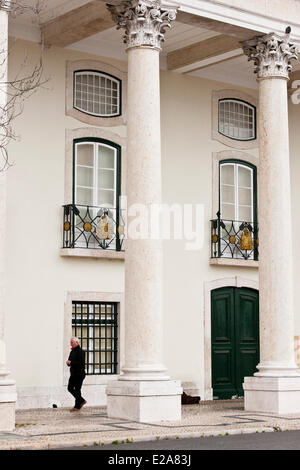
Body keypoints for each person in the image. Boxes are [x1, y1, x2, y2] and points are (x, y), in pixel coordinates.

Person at [66, 337, 87, 412]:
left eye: (72, 342)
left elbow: (81, 363)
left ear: (77, 343)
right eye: (70, 342)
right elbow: (70, 361)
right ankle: (81, 400)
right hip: (73, 374)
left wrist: (71, 362)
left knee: (77, 389)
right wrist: (68, 363)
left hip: (79, 374)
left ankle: (77, 406)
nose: (70, 344)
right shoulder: (72, 352)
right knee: (70, 388)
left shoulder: (81, 351)